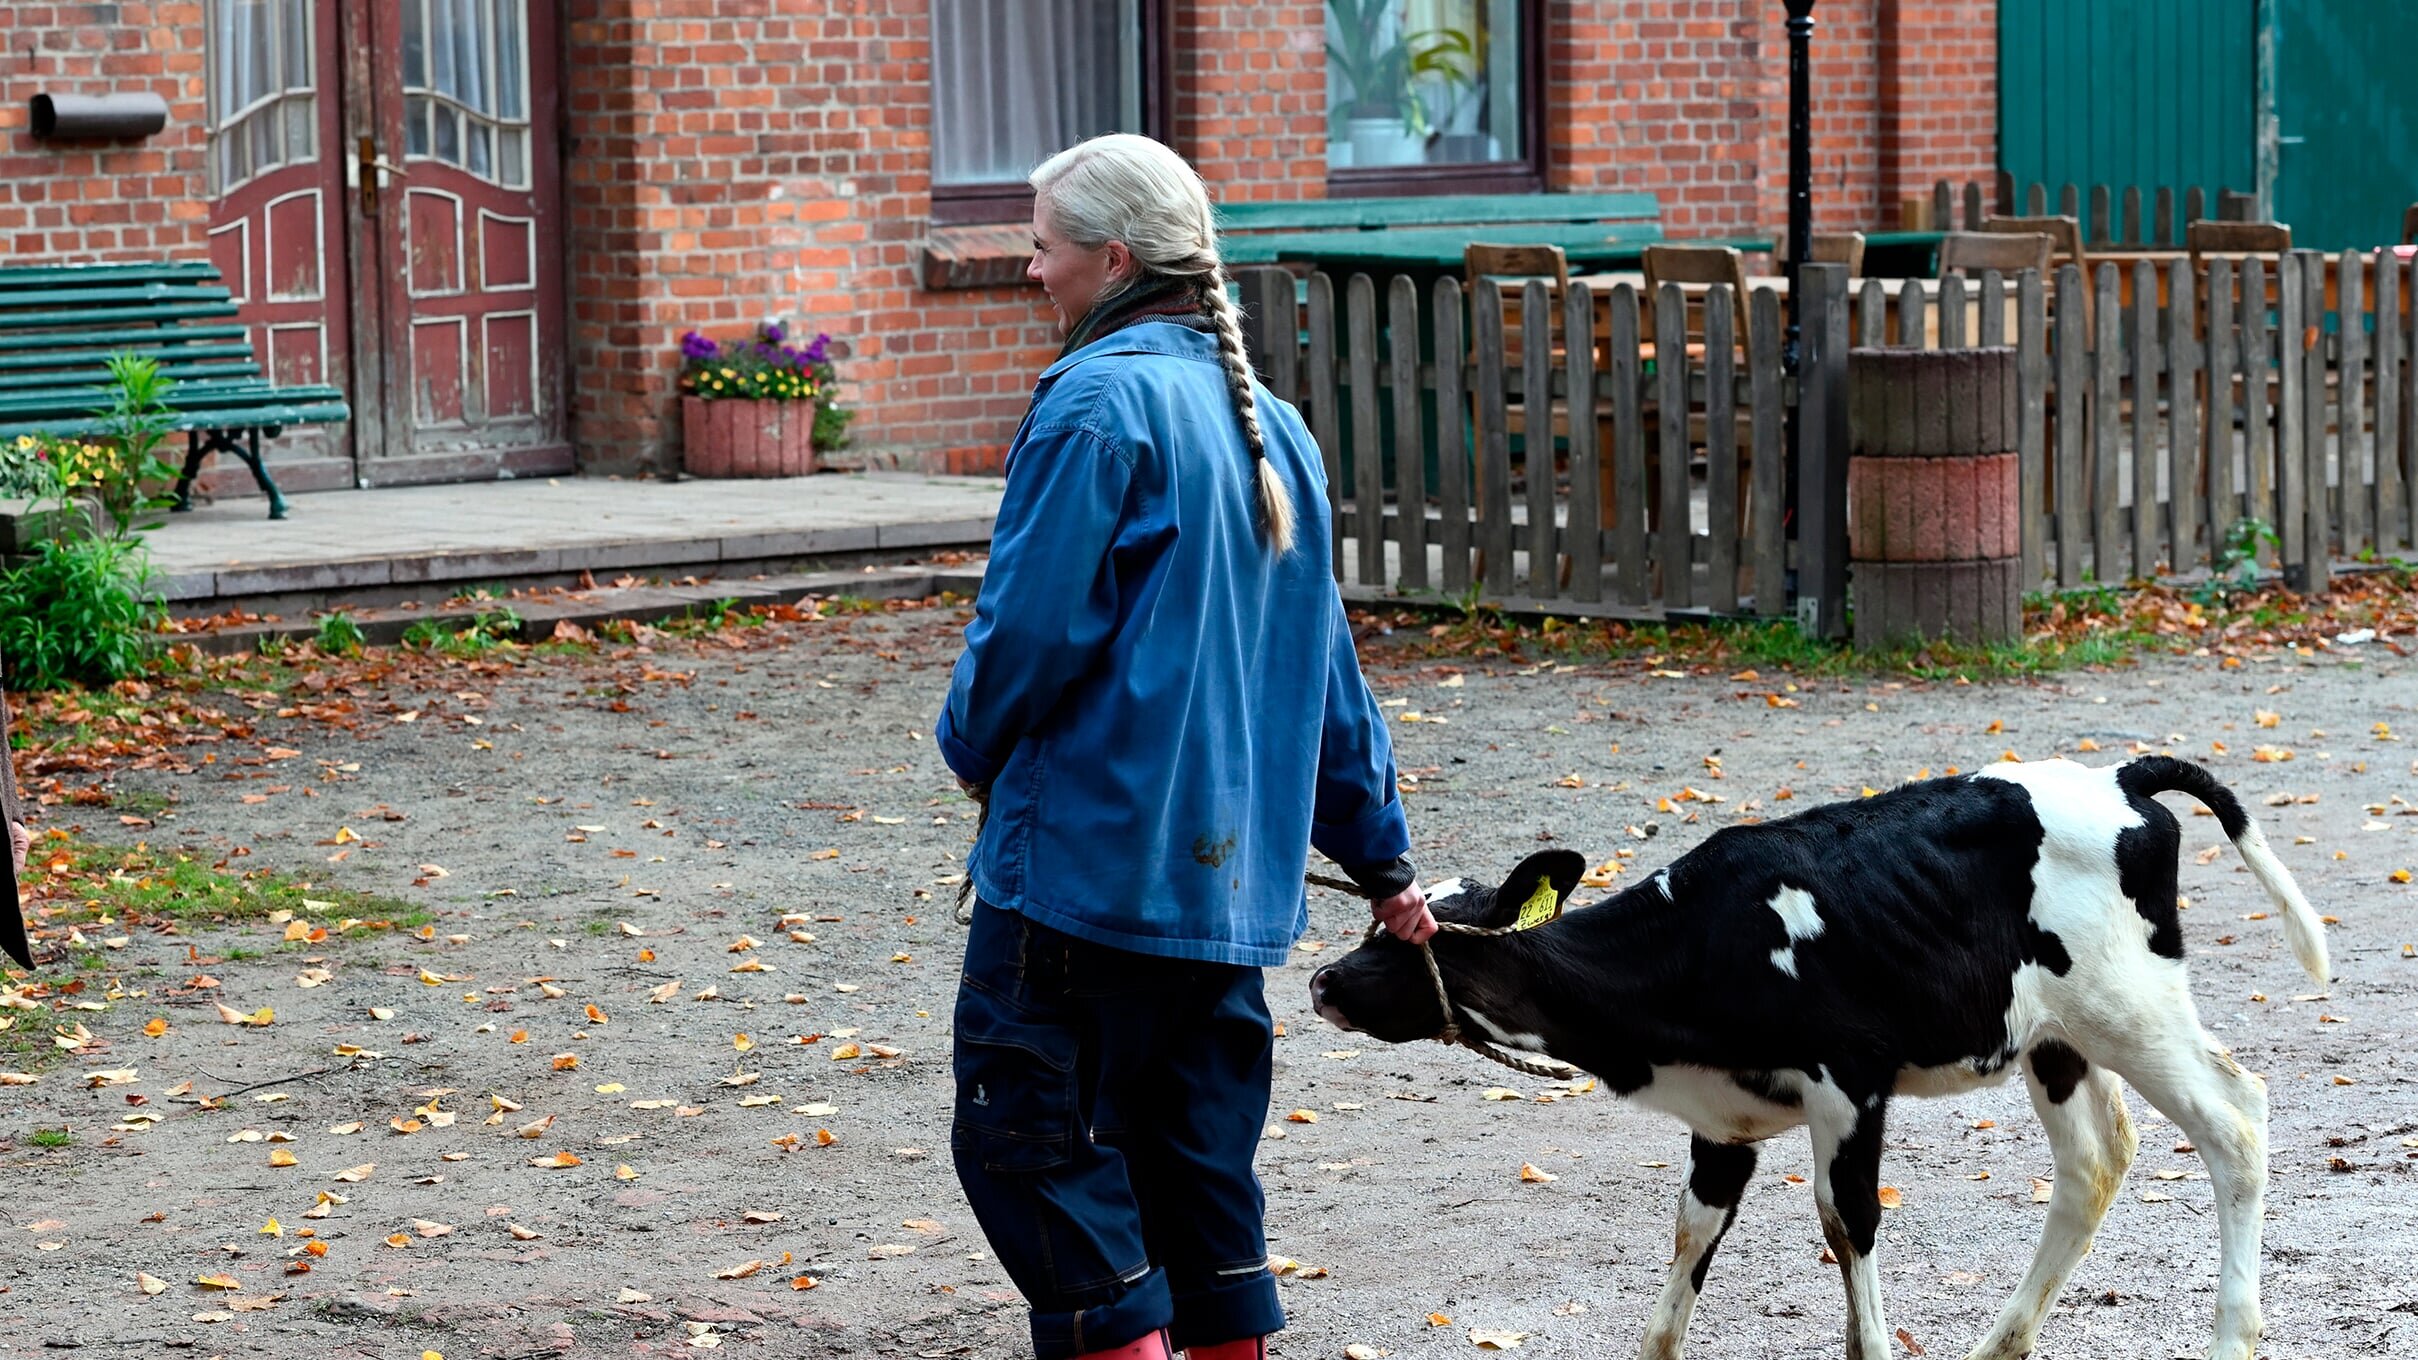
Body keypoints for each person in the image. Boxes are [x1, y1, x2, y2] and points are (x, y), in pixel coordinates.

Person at [933, 134, 1434, 1360]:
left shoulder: (1095, 402)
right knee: (1197, 1168)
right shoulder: (1277, 426)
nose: (1031, 271)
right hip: (1224, 896)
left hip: (1080, 877)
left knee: (1029, 1147)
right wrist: (1381, 859)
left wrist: (966, 745)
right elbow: (1328, 678)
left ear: (1112, 257)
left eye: (1043, 246)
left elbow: (1030, 628)